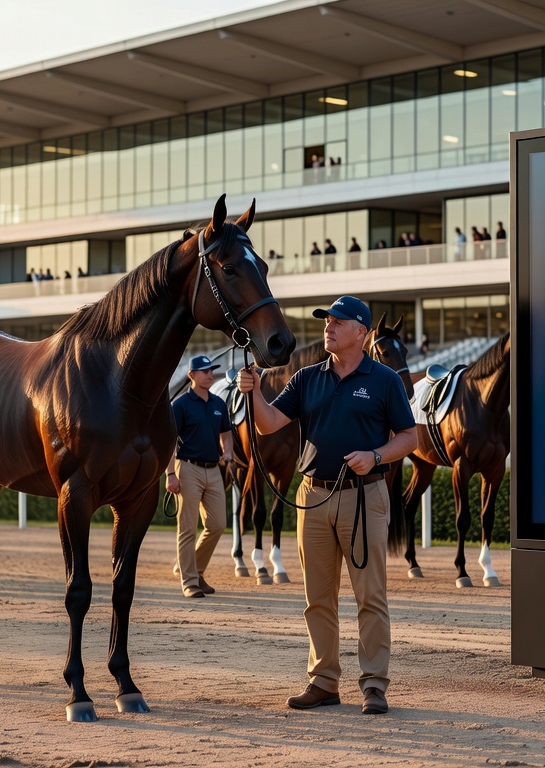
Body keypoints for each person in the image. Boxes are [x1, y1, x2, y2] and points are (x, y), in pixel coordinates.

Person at [237, 295, 417, 715]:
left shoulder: (385, 380)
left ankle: (374, 684)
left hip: (365, 497)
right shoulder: (305, 378)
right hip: (312, 496)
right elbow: (267, 425)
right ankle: (323, 682)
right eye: (327, 321)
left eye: (338, 321)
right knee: (317, 598)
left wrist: (375, 456)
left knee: (370, 596)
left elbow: (409, 438)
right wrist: (256, 392)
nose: (329, 327)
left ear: (361, 332)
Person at [168, 355, 234, 598]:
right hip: (188, 469)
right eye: (204, 371)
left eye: (211, 370)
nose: (210, 374)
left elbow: (226, 433)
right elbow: (170, 442)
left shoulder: (218, 403)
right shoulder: (181, 405)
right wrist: (170, 474)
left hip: (213, 469)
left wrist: (227, 452)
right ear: (191, 375)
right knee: (187, 529)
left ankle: (196, 570)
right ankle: (190, 582)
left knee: (218, 524)